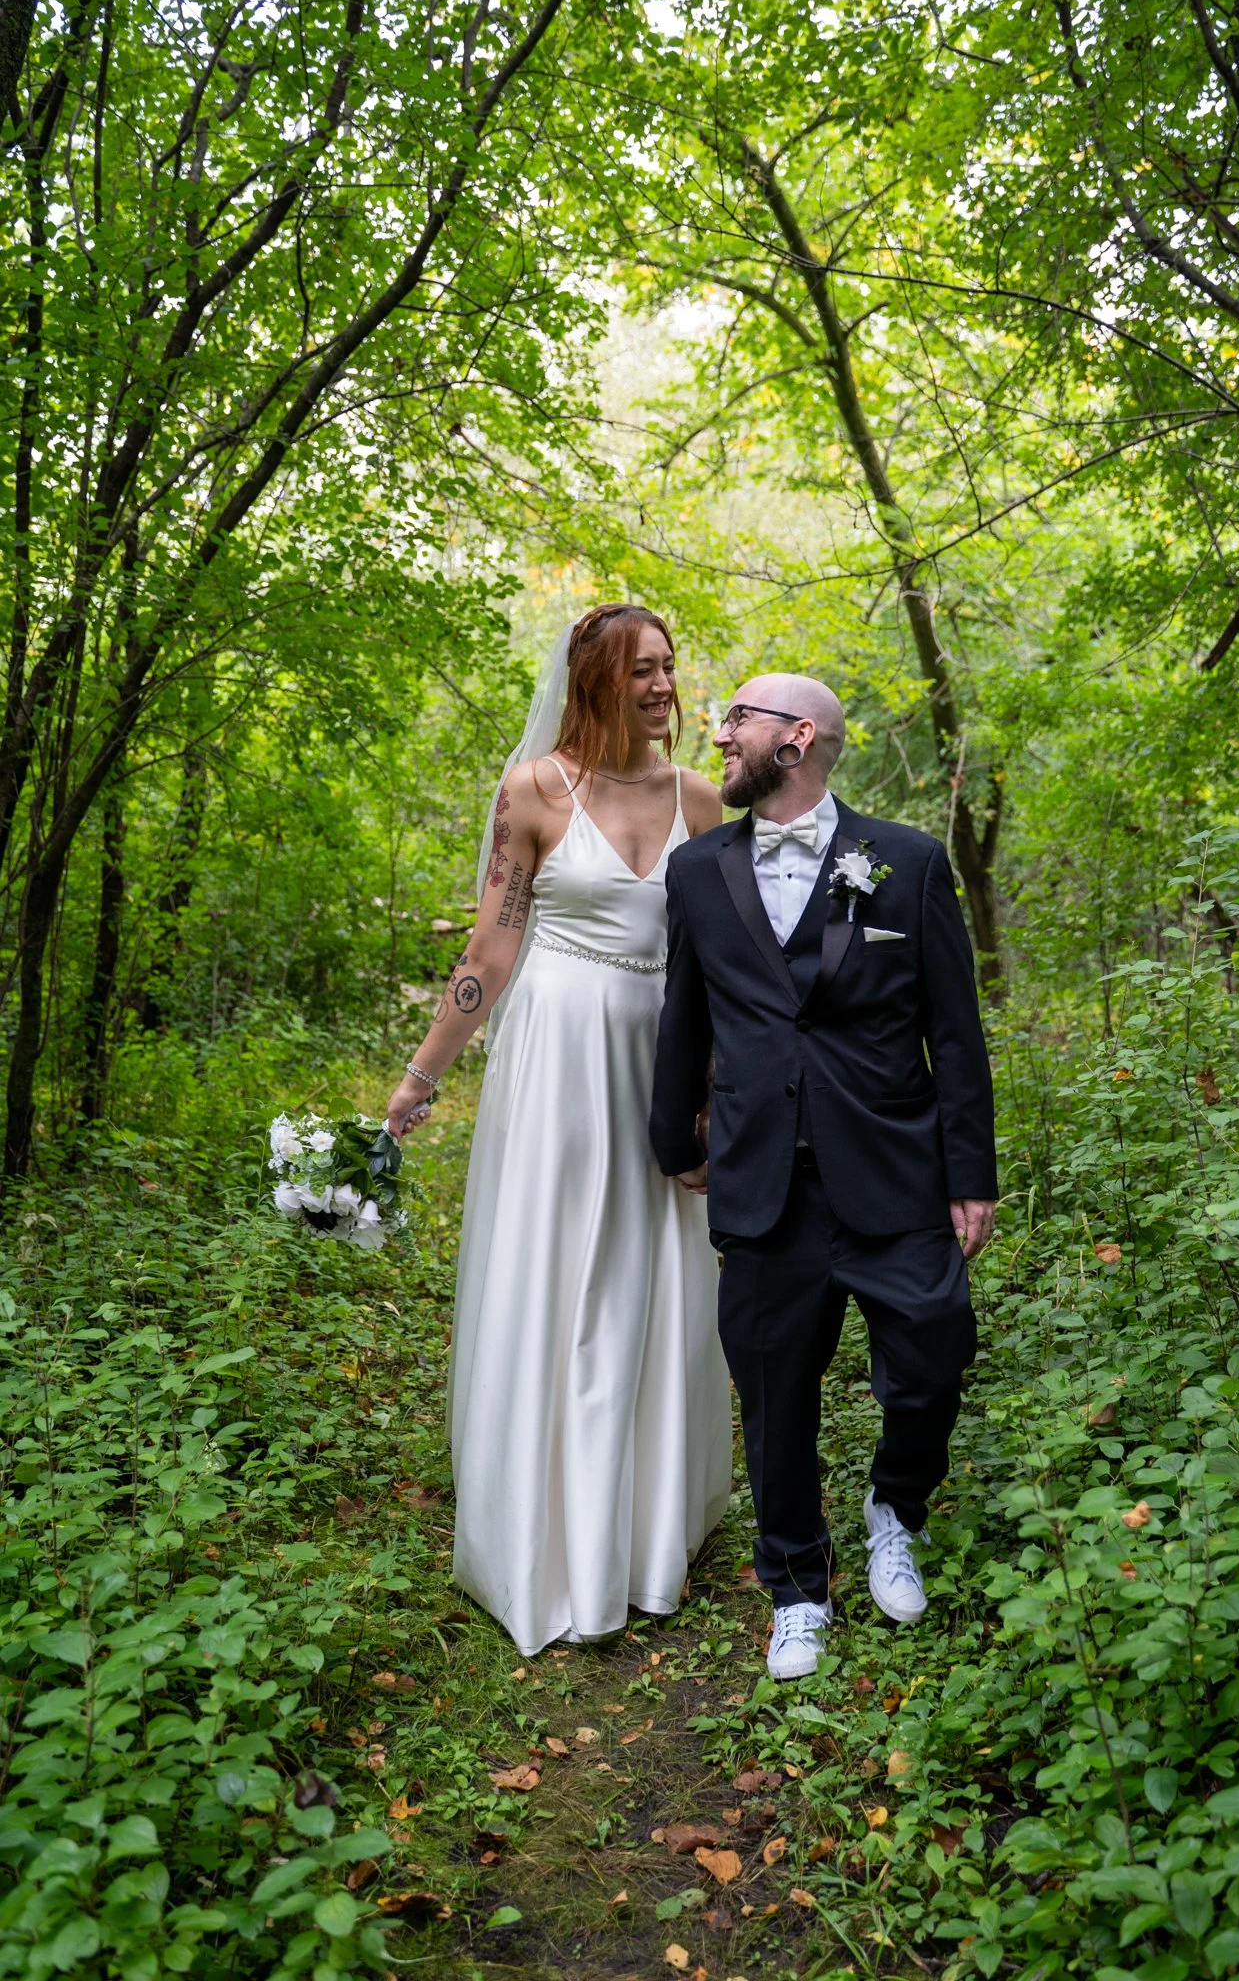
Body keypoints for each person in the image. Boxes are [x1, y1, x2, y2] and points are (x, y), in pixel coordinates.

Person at [387, 606, 732, 1656]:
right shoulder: (534, 790)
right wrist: (419, 1076)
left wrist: (724, 1091)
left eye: (670, 666)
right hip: (555, 1055)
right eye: (644, 669)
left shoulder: (703, 802)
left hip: (663, 1054)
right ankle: (540, 1526)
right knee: (557, 1266)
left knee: (657, 1272)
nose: (665, 684)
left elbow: (725, 962)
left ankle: (643, 1527)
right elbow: (494, 943)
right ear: (594, 679)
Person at [649, 673, 997, 1681]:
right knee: (774, 1394)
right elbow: (688, 1015)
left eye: (738, 721)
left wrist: (968, 1173)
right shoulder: (697, 871)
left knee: (934, 1356)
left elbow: (955, 1033)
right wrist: (676, 1138)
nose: (718, 734)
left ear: (797, 739)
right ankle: (798, 1584)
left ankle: (896, 1505)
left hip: (894, 1164)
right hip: (761, 1176)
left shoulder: (910, 861)